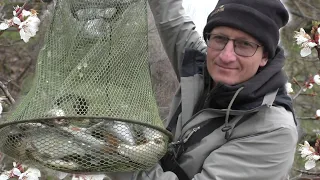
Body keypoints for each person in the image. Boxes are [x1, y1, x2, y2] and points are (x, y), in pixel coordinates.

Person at [110, 0, 298, 179]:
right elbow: (170, 19)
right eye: (219, 38)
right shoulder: (201, 66)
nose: (226, 56)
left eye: (244, 45)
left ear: (265, 56)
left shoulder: (275, 131)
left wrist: (115, 158)